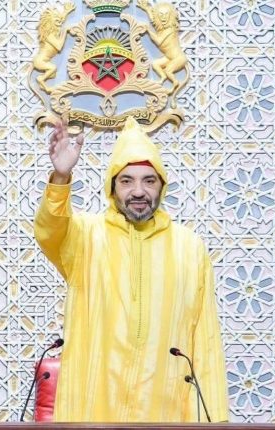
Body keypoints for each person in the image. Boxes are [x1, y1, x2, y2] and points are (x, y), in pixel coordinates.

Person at [33, 117, 228, 422]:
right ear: (112, 188)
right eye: (126, 181)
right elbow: (50, 231)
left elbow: (206, 341)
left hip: (165, 411)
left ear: (162, 186)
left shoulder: (189, 247)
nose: (138, 191)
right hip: (93, 409)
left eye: (149, 181)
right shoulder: (85, 237)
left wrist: (214, 422)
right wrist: (61, 177)